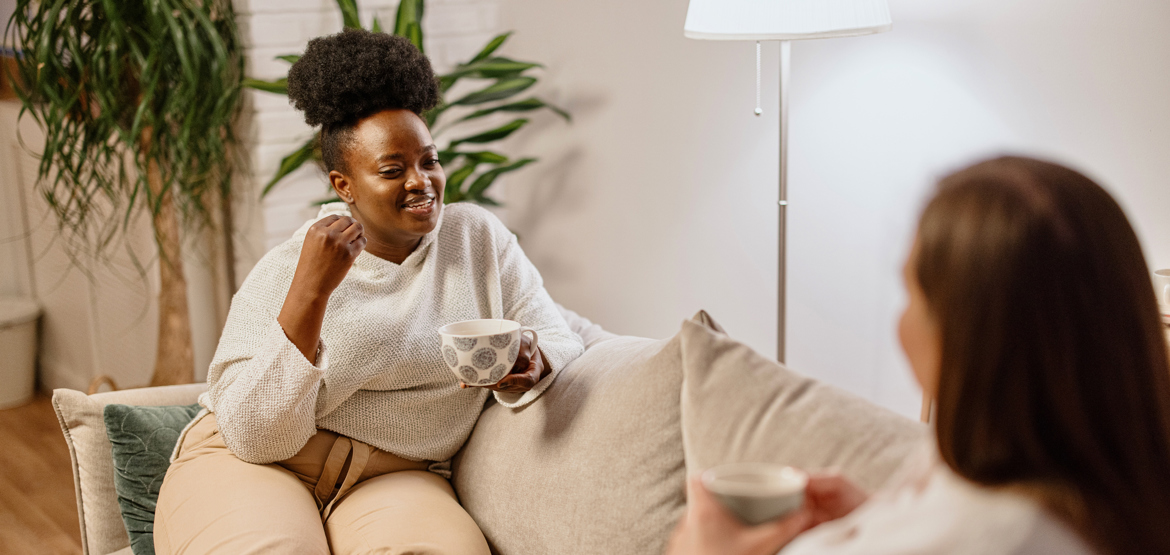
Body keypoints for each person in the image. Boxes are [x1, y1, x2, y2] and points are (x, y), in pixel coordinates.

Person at [154, 29, 584, 555]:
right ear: (344, 186)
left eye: (429, 160)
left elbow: (561, 340)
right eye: (392, 170)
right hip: (260, 463)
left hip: (399, 475)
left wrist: (532, 362)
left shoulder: (475, 239)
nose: (421, 181)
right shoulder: (292, 266)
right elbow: (253, 434)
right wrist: (311, 291)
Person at [666, 156, 1170, 555]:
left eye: (911, 294)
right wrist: (880, 513)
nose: (900, 322)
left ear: (971, 337)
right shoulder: (1099, 500)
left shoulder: (984, 538)